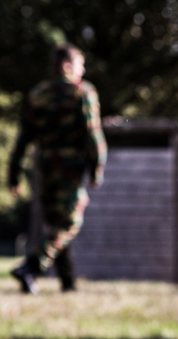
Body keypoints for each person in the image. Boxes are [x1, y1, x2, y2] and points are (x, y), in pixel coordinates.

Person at [8, 43, 106, 294]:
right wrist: (97, 167)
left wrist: (14, 174)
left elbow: (24, 137)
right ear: (67, 66)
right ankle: (31, 267)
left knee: (54, 223)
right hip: (70, 170)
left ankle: (67, 282)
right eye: (79, 65)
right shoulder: (82, 93)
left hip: (43, 167)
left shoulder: (37, 94)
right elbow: (93, 135)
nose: (82, 71)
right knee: (69, 223)